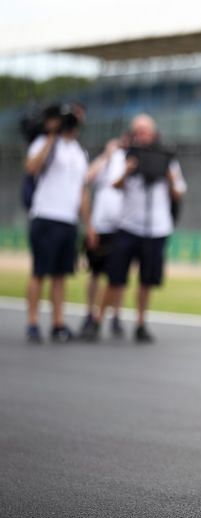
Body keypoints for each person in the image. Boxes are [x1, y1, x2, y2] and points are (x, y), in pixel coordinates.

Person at [89, 114, 186, 343]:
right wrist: (127, 170)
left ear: (153, 133)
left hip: (156, 228)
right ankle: (98, 320)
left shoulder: (167, 158)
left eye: (146, 131)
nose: (142, 135)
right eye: (138, 131)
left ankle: (141, 323)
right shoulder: (125, 156)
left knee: (146, 280)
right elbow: (113, 184)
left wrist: (169, 178)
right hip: (128, 225)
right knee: (115, 277)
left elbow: (179, 191)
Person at [24, 103, 89, 343]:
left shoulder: (80, 153)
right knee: (39, 271)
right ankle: (32, 322)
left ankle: (57, 322)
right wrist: (51, 135)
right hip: (45, 216)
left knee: (61, 274)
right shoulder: (44, 143)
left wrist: (88, 224)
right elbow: (31, 168)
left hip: (68, 220)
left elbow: (83, 191)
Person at [78, 135, 127, 341]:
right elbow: (86, 178)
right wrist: (106, 155)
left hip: (122, 225)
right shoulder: (105, 162)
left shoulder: (129, 162)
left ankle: (116, 315)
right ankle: (90, 312)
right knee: (95, 272)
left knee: (118, 276)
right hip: (100, 226)